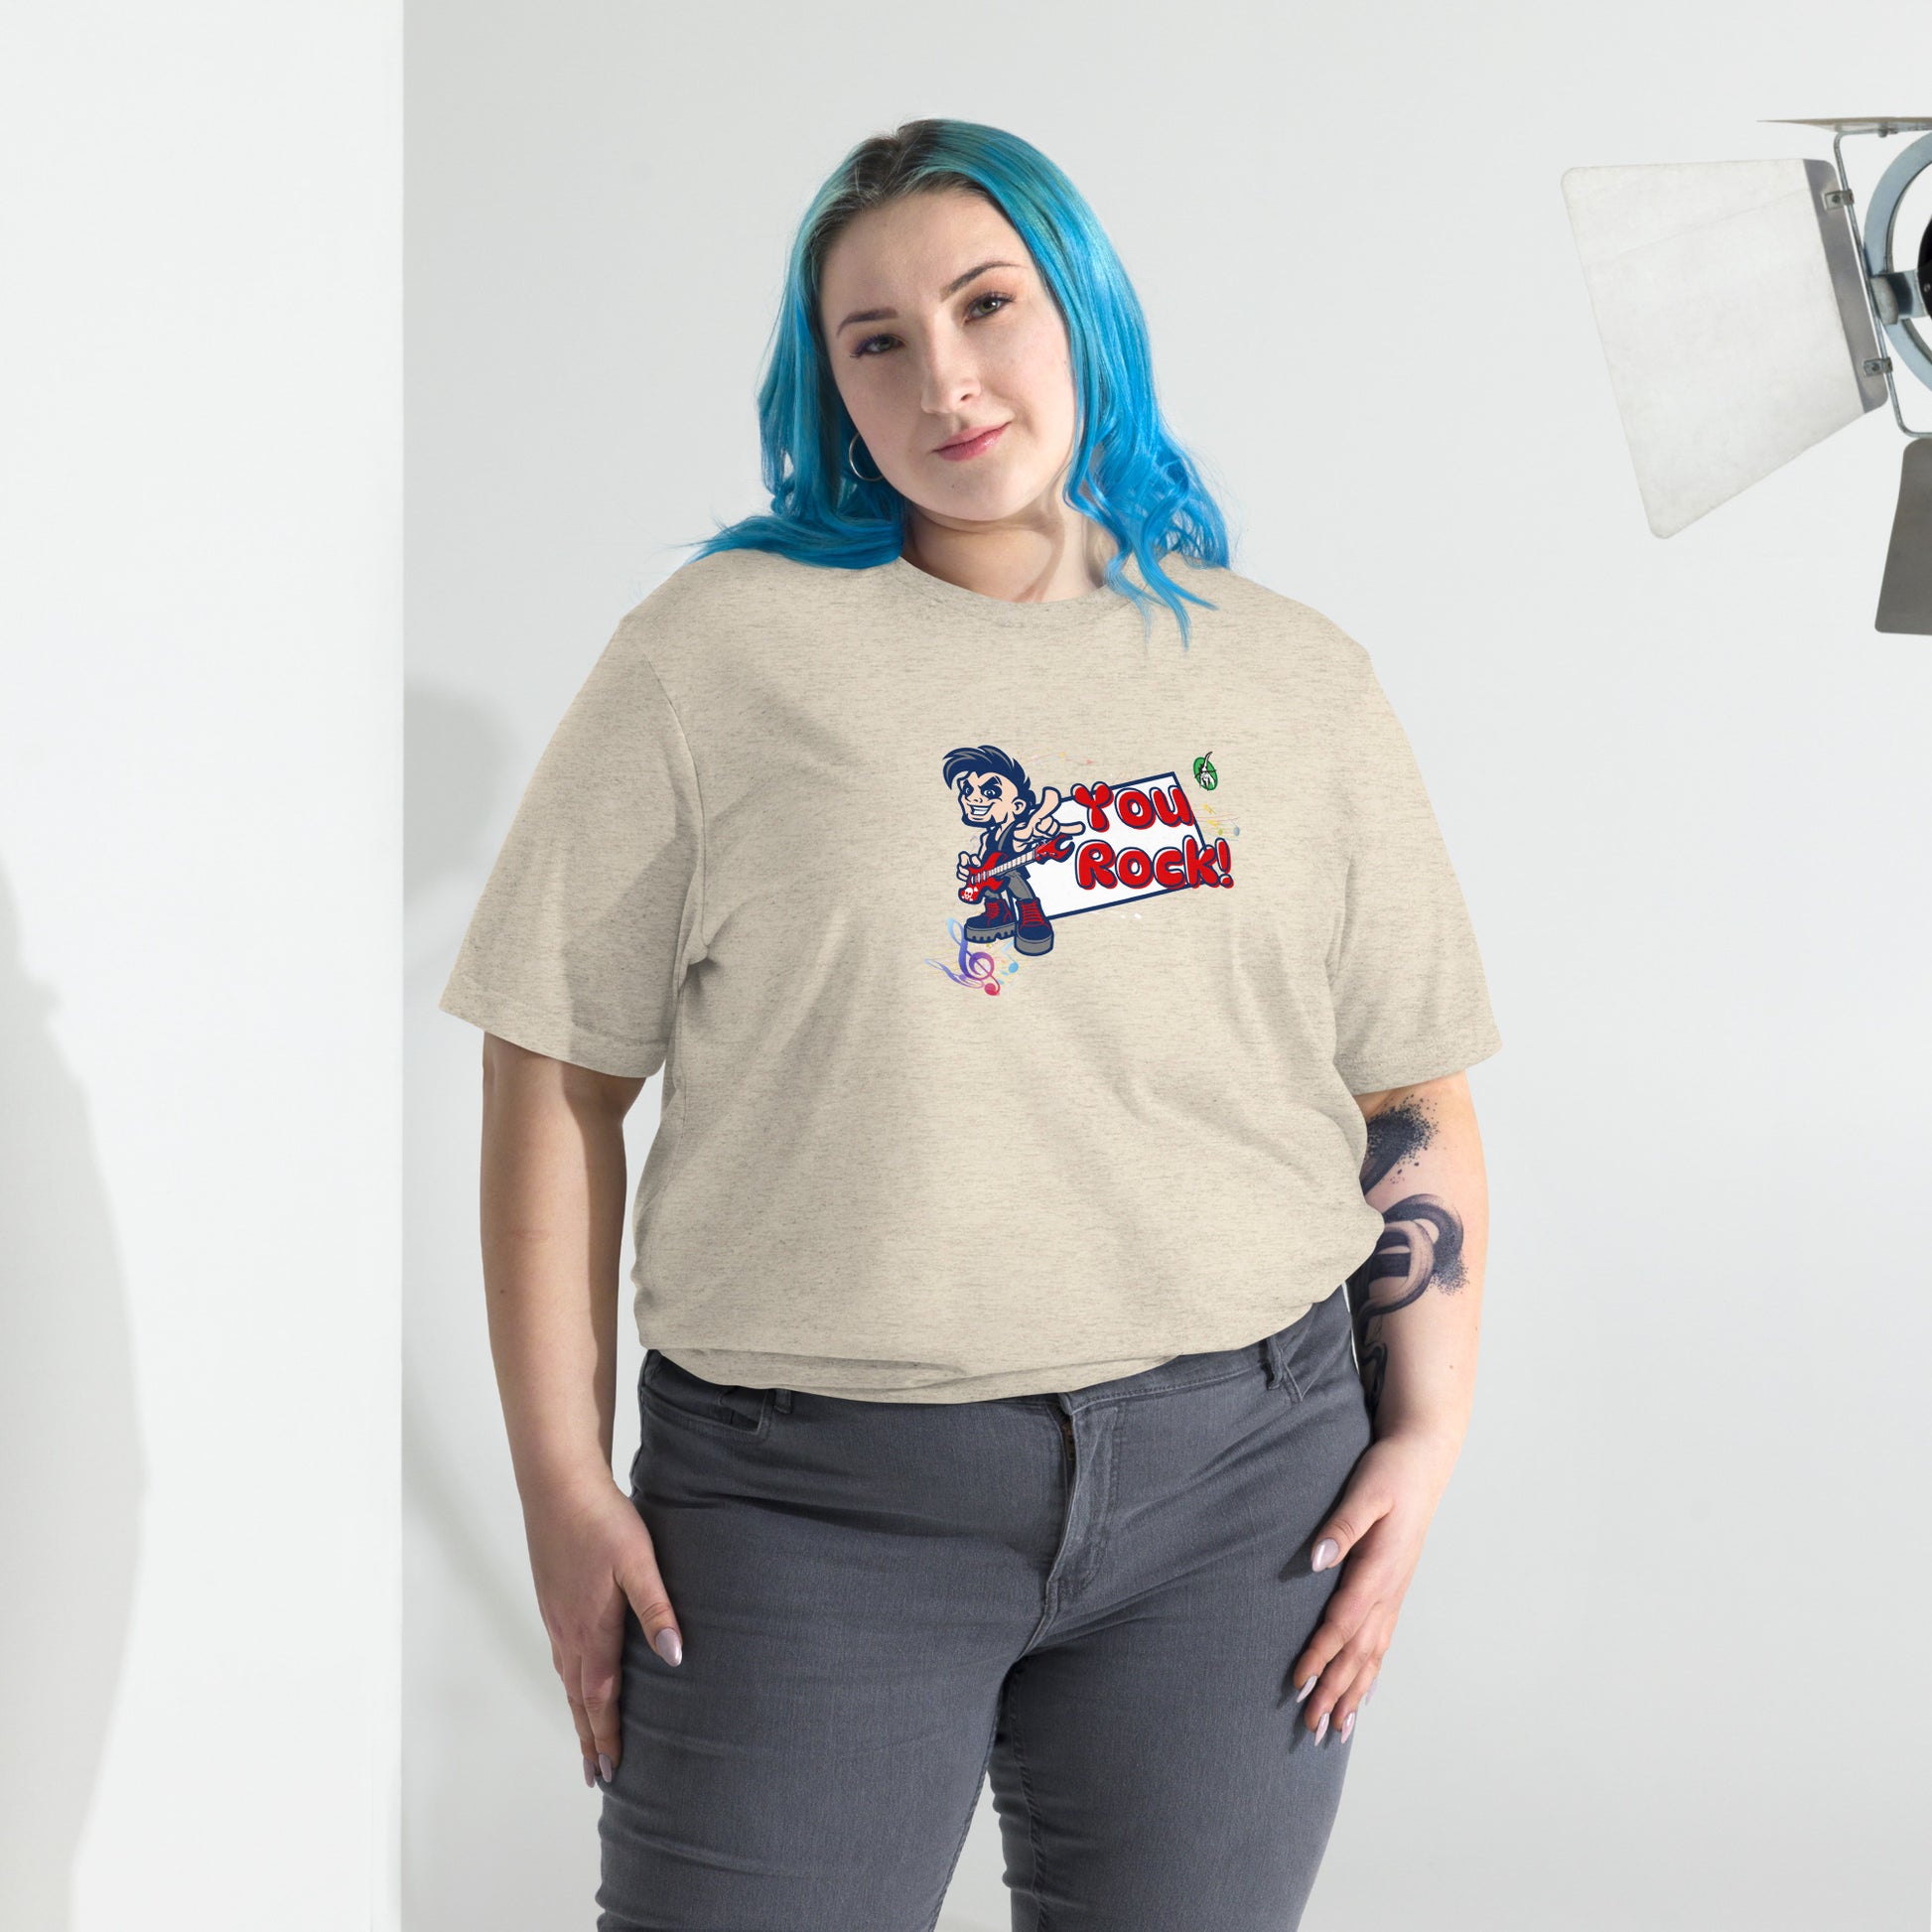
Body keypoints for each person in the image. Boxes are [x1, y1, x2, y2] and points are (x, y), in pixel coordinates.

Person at [439, 117, 1502, 1932]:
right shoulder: (716, 656)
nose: (944, 376)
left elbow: (1407, 1084)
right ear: (824, 380)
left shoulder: (1290, 676)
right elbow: (555, 1064)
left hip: (1245, 1486)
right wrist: (557, 1469)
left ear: (1079, 308)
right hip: (812, 1507)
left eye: (986, 303)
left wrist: (1423, 1437)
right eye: (875, 340)